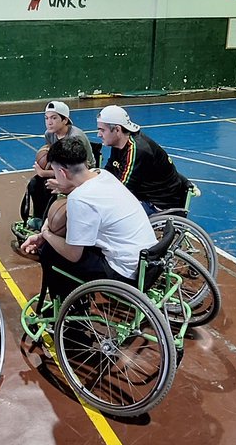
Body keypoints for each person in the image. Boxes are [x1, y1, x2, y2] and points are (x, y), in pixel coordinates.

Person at [21, 136, 155, 301]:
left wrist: (45, 234)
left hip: (125, 274)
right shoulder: (103, 174)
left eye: (55, 172)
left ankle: (70, 311)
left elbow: (73, 255)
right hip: (148, 262)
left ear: (62, 172)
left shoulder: (80, 199)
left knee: (51, 251)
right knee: (68, 242)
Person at [16, 101, 96, 235]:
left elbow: (77, 169)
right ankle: (39, 217)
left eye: (54, 118)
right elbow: (53, 158)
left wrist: (44, 173)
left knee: (52, 187)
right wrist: (45, 173)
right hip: (62, 168)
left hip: (81, 172)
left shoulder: (75, 137)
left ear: (65, 120)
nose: (49, 122)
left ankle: (52, 221)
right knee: (35, 184)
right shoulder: (49, 134)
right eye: (46, 118)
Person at [97, 106, 190, 214]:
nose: (99, 134)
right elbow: (110, 171)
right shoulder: (119, 143)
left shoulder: (137, 150)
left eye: (102, 130)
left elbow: (122, 189)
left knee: (105, 212)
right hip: (144, 195)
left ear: (117, 129)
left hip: (158, 204)